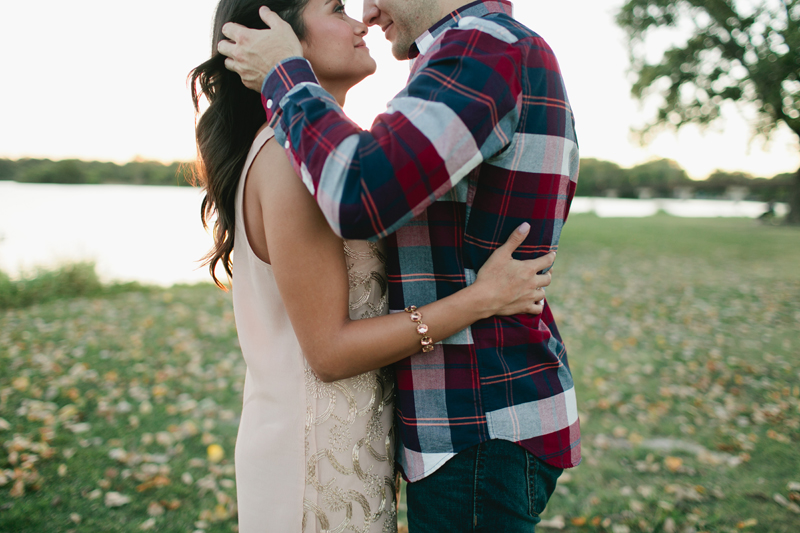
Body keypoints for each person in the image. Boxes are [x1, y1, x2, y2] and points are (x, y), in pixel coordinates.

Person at [190, 1, 557, 532]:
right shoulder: (291, 161)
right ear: (277, 36)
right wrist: (479, 300)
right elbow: (330, 352)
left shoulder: (325, 154)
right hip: (314, 456)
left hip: (355, 443)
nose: (362, 19)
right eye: (337, 8)